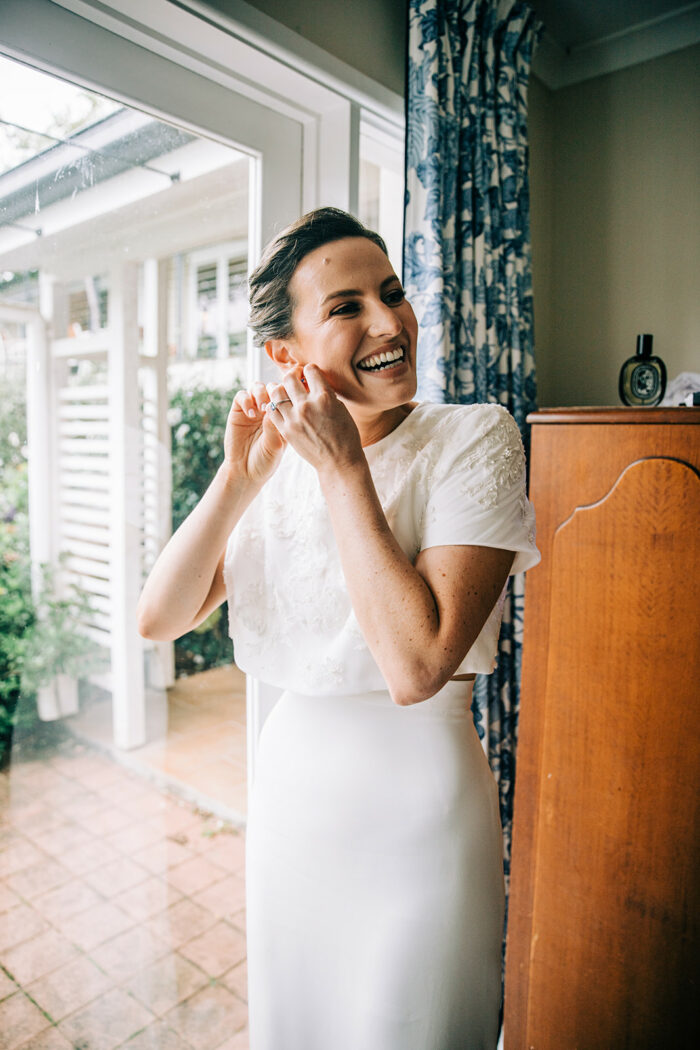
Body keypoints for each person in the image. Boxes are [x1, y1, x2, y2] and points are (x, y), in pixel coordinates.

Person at [137, 206, 540, 1050]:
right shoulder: (275, 463)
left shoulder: (476, 437)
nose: (390, 322)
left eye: (391, 292)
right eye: (346, 306)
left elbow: (416, 666)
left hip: (419, 815)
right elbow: (159, 618)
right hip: (292, 801)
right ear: (285, 355)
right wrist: (236, 477)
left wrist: (342, 466)